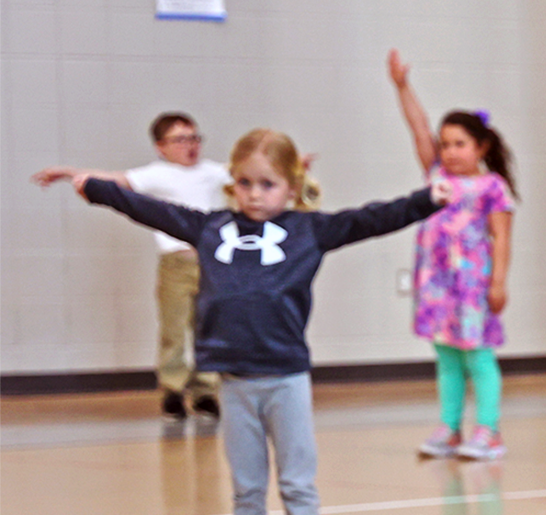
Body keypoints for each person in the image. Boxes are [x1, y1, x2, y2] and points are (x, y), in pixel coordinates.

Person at [45, 128, 447, 515]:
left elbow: (372, 218)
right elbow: (151, 209)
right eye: (245, 183)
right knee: (247, 490)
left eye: (267, 184)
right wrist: (98, 189)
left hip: (286, 380)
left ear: (291, 186)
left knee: (297, 485)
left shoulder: (308, 230)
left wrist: (427, 199)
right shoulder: (210, 228)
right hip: (235, 383)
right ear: (232, 183)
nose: (254, 194)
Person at [30, 112, 230, 421]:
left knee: (209, 328)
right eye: (180, 139)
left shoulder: (213, 172)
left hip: (212, 263)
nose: (189, 146)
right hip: (176, 263)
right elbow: (113, 179)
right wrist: (69, 173)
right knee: (173, 330)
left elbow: (251, 171)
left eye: (194, 138)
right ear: (161, 146)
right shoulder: (156, 174)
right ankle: (173, 392)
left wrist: (294, 165)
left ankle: (205, 392)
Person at [388, 50, 519, 461]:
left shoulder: (493, 188)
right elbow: (418, 127)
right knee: (446, 356)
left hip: (473, 285)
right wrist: (402, 86)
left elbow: (502, 238)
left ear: (480, 147)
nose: (449, 152)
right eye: (445, 145)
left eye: (459, 144)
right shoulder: (436, 176)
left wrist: (497, 283)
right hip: (437, 284)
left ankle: (489, 430)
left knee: (478, 356)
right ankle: (449, 427)